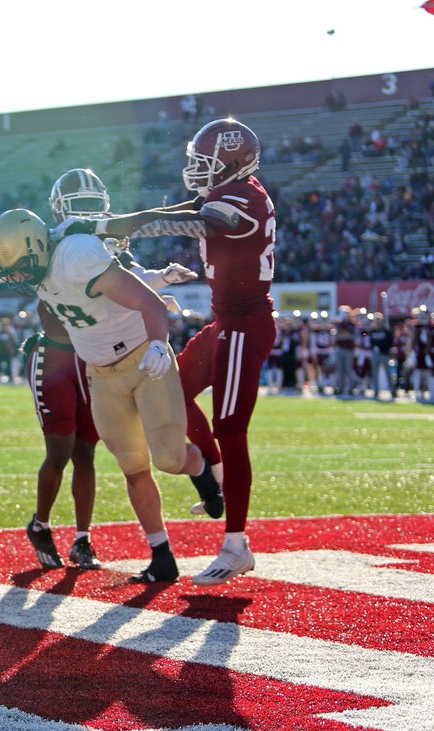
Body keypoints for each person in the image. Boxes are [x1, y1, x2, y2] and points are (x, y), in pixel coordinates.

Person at [0, 168, 204, 572]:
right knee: (61, 449)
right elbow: (26, 268)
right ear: (58, 213)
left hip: (94, 360)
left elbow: (127, 281)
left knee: (88, 452)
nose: (86, 215)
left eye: (92, 208)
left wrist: (158, 277)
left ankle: (83, 539)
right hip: (57, 358)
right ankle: (41, 523)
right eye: (79, 209)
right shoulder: (51, 246)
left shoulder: (92, 248)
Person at [72, 118, 276, 586]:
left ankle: (236, 544)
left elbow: (196, 221)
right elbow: (187, 207)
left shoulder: (245, 200)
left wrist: (126, 226)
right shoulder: (228, 190)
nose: (196, 171)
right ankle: (220, 479)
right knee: (173, 392)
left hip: (245, 327)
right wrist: (110, 223)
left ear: (231, 164)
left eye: (205, 164)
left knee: (229, 427)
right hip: (225, 323)